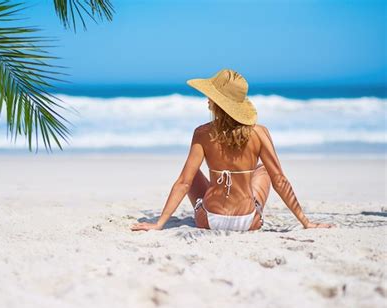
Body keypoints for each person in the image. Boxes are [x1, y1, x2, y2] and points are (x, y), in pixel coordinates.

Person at [130, 69, 334, 232]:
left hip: (208, 220)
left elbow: (184, 182)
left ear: (219, 103)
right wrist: (306, 222)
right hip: (248, 221)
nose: (206, 99)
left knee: (191, 174)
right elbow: (280, 180)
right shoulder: (260, 133)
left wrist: (159, 224)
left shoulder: (202, 133)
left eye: (211, 95)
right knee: (264, 170)